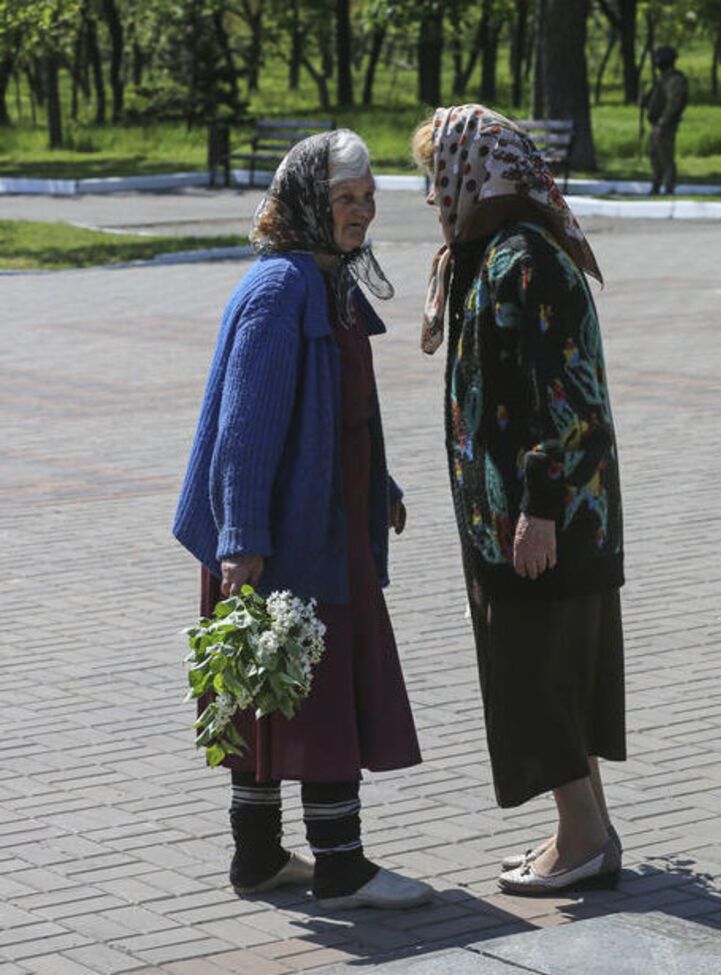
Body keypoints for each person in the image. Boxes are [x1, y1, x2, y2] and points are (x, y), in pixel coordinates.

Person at [173, 129, 434, 911]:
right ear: (307, 205)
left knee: (273, 690)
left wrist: (378, 481)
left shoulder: (328, 279)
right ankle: (341, 865)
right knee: (313, 691)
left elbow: (338, 409)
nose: (359, 215)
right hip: (280, 539)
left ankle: (257, 858)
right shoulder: (280, 289)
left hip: (326, 522)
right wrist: (243, 542)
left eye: (366, 201)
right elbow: (242, 432)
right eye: (344, 201)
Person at [412, 104, 626, 896]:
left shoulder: (522, 259)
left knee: (538, 673)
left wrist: (536, 506)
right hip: (527, 515)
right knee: (556, 671)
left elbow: (564, 402)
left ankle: (581, 840)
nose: (433, 190)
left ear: (474, 171)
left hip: (545, 518)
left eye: (439, 171)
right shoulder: (490, 253)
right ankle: (589, 827)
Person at [644, 45, 688, 195]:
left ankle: (668, 188)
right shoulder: (664, 79)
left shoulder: (674, 80)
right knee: (654, 154)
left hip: (665, 125)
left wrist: (662, 123)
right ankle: (656, 186)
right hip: (659, 124)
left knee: (665, 157)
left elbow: (673, 104)